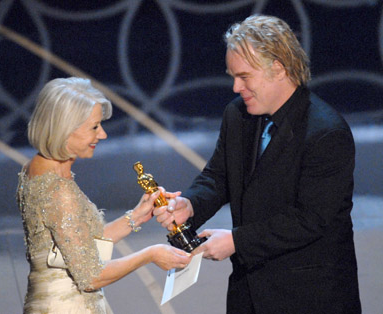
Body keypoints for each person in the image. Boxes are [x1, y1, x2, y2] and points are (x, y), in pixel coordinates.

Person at [154, 15, 361, 313]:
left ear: (277, 67)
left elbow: (311, 218)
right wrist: (190, 205)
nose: (236, 87)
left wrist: (237, 240)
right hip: (248, 293)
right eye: (232, 76)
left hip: (310, 296)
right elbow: (218, 177)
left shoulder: (326, 133)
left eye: (244, 76)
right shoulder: (237, 116)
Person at [17, 77, 192, 314]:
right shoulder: (58, 190)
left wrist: (137, 217)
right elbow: (90, 275)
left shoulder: (39, 168)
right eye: (94, 127)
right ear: (65, 128)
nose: (103, 135)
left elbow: (74, 247)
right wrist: (150, 254)